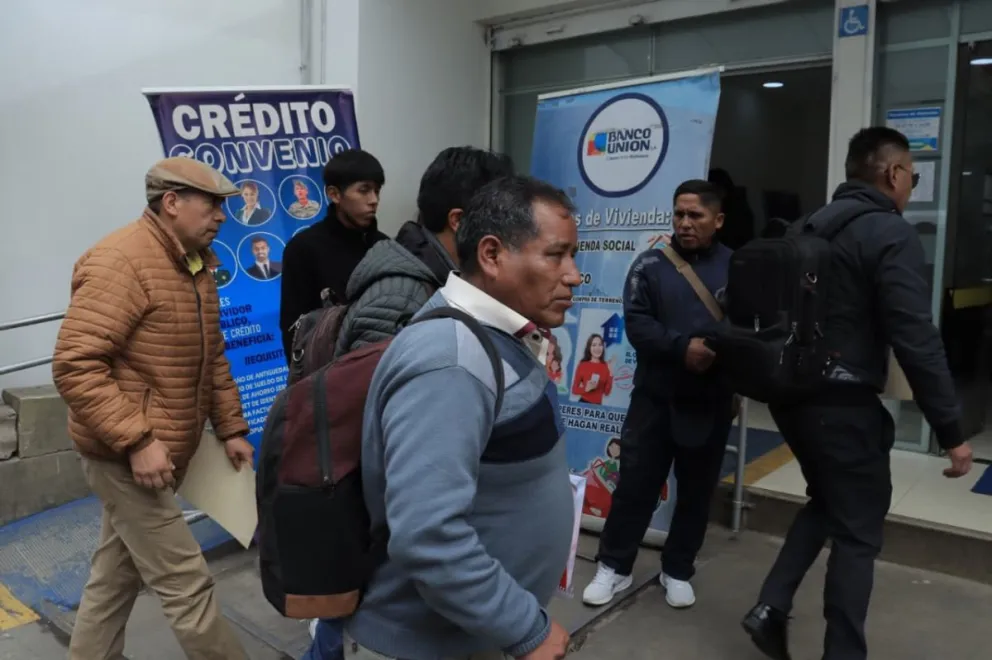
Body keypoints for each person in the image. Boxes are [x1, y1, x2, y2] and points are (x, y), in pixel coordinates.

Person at [741, 127, 973, 660]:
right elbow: (916, 337)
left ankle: (771, 606)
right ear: (893, 173)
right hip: (841, 404)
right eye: (912, 176)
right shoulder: (889, 233)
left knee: (831, 501)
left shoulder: (808, 225)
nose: (911, 186)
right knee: (859, 533)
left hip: (789, 396)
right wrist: (951, 431)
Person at [346, 175, 581, 660]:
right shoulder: (449, 361)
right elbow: (428, 536)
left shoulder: (499, 335)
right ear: (492, 255)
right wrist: (525, 628)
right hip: (429, 646)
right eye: (556, 256)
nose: (574, 275)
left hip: (472, 635)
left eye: (573, 256)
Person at [304, 146, 514, 660]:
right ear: (460, 221)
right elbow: (369, 424)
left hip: (393, 521)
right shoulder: (404, 293)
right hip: (377, 519)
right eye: (503, 222)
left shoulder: (438, 279)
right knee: (344, 623)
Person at [52, 157, 254, 660]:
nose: (222, 216)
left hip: (159, 451)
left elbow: (211, 356)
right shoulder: (121, 261)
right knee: (188, 583)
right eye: (212, 204)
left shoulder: (195, 263)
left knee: (114, 578)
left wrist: (230, 427)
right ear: (172, 202)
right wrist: (138, 441)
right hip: (124, 457)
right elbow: (75, 364)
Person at [582, 179, 734, 611]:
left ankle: (678, 569)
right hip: (654, 399)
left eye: (696, 215)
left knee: (696, 491)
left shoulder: (737, 267)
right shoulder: (649, 264)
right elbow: (637, 324)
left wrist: (717, 350)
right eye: (679, 214)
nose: (685, 223)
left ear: (718, 220)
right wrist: (681, 347)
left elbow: (747, 327)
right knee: (635, 485)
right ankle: (614, 566)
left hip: (709, 400)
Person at [332, 146, 514, 357]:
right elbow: (371, 377)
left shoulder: (442, 275)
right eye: (500, 219)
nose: (509, 232)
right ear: (458, 221)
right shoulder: (400, 298)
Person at [279, 149, 387, 359]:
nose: (374, 200)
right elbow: (294, 333)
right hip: (331, 370)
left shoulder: (385, 246)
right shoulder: (303, 249)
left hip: (386, 364)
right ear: (334, 194)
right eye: (364, 190)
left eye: (377, 190)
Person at [571, 333, 613, 405]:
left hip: (597, 407)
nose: (597, 348)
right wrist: (585, 389)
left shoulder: (606, 366)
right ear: (589, 348)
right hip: (583, 404)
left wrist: (611, 374)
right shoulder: (583, 365)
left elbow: (607, 392)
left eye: (600, 345)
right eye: (594, 345)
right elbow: (574, 390)